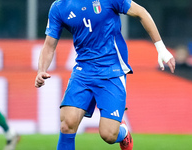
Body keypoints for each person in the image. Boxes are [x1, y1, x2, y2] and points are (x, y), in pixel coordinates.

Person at [35, 0, 175, 150]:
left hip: (112, 71)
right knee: (67, 124)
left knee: (108, 135)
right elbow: (49, 45)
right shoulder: (59, 7)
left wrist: (161, 49)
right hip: (83, 72)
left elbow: (141, 12)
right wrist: (41, 70)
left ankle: (124, 132)